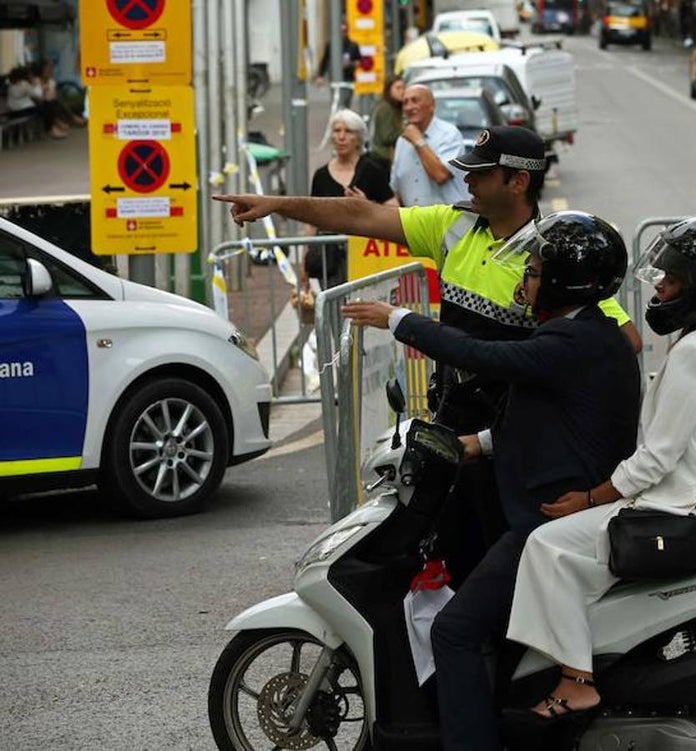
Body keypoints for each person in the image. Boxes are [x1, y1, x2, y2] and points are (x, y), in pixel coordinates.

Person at [216, 126, 642, 584]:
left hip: (514, 447)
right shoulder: (453, 226)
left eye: (480, 174)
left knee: (509, 578)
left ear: (518, 182)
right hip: (454, 431)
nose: (468, 182)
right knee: (453, 558)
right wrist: (279, 205)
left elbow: (623, 341)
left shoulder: (552, 258)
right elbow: (360, 215)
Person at [340, 211, 643, 751]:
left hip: (544, 522)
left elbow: (484, 355)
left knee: (453, 632)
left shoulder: (571, 341)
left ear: (561, 281)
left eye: (533, 269)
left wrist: (398, 320)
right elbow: (554, 422)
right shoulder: (580, 334)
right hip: (547, 510)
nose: (524, 277)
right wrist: (471, 445)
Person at [505, 216, 696, 720]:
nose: (659, 288)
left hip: (692, 509)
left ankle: (576, 680)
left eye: (671, 280)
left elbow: (658, 457)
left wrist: (590, 498)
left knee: (546, 545)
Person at [301, 109, 392, 290]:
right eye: (337, 131)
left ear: (358, 137)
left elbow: (394, 208)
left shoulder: (372, 170)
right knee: (335, 310)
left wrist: (368, 206)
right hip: (329, 260)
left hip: (366, 256)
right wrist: (304, 264)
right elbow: (311, 222)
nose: (341, 137)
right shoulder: (321, 175)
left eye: (348, 131)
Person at [389, 84, 469, 207]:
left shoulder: (449, 134)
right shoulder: (402, 141)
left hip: (448, 221)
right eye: (405, 103)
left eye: (415, 101)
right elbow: (396, 188)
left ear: (431, 105)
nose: (409, 107)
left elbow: (440, 175)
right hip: (413, 222)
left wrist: (418, 141)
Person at [315, 22, 361, 108]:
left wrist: (351, 64)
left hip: (348, 77)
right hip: (335, 77)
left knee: (346, 100)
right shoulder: (331, 45)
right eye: (340, 31)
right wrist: (320, 75)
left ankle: (344, 116)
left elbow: (359, 61)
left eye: (344, 31)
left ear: (347, 31)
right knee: (336, 100)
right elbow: (325, 59)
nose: (342, 33)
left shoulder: (353, 45)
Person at [369, 75, 406, 169]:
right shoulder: (385, 109)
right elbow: (387, 136)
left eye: (404, 88)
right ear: (389, 90)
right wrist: (407, 131)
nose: (402, 91)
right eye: (398, 88)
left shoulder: (397, 108)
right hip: (384, 159)